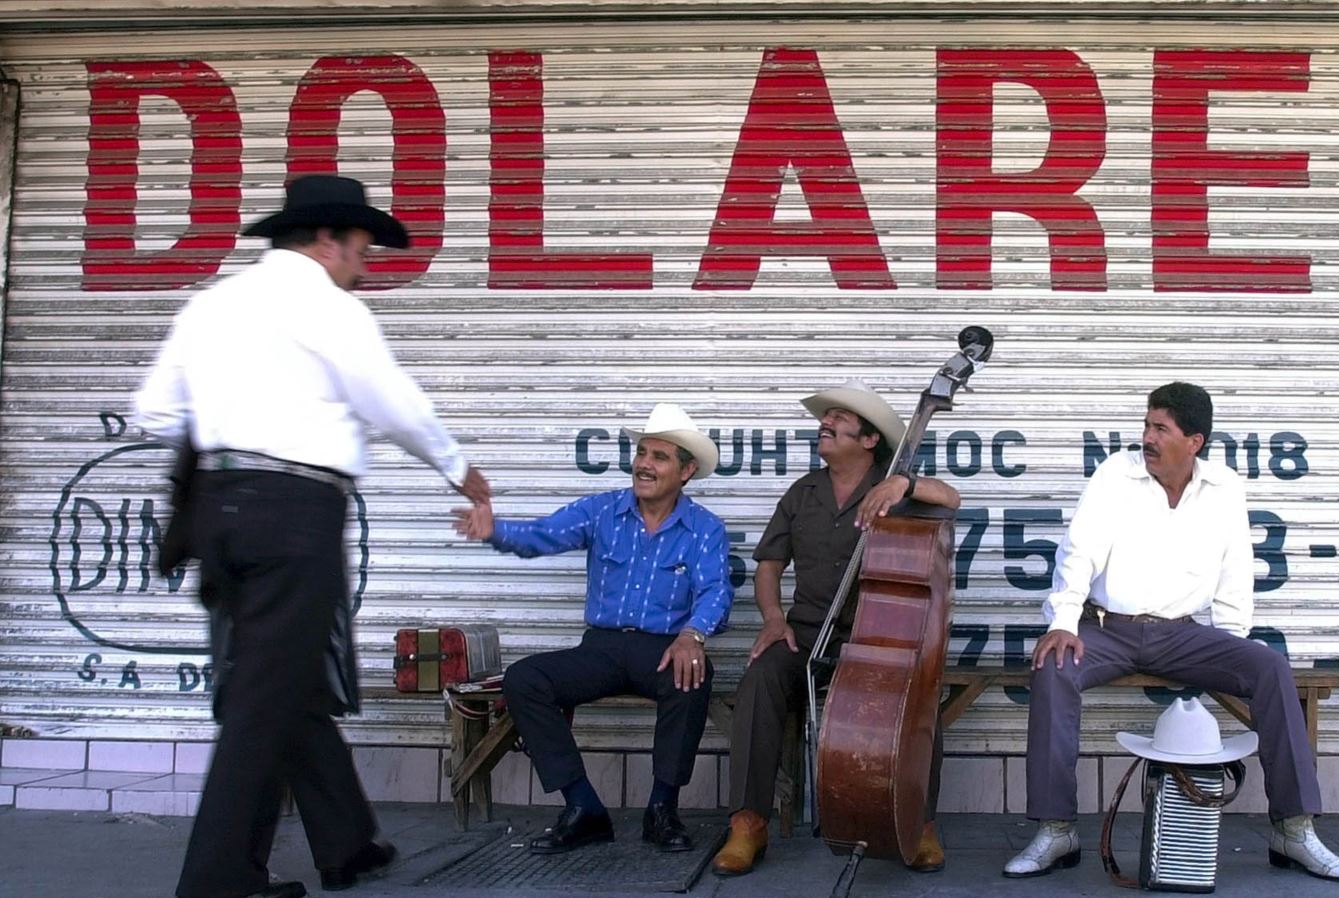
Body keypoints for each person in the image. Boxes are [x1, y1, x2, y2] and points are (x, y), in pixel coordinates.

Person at [135, 174, 492, 898]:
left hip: (219, 510)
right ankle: (219, 880)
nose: (363, 264)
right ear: (327, 240)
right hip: (295, 513)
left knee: (278, 675)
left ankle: (347, 843)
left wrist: (232, 432)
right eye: (360, 248)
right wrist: (461, 471)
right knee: (261, 698)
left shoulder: (211, 305)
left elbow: (153, 414)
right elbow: (392, 403)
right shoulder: (330, 309)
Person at [1003, 382, 1339, 884]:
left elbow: (1237, 566)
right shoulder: (1116, 475)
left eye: (1160, 428)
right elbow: (1077, 551)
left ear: (1193, 441)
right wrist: (1063, 621)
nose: (1147, 437)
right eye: (1146, 425)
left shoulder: (1224, 487)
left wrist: (1232, 640)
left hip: (1180, 635)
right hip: (1108, 629)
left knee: (1269, 667)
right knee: (1053, 667)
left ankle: (1293, 831)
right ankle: (1056, 829)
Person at [452, 403, 732, 855]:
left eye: (659, 457)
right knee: (526, 679)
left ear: (687, 470)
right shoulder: (602, 511)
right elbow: (541, 535)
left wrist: (692, 634)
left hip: (663, 648)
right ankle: (583, 807)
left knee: (692, 676)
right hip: (600, 649)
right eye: (641, 452)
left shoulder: (703, 528)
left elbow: (716, 591)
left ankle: (663, 808)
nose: (643, 464)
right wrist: (495, 531)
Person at [711, 381, 962, 877]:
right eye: (825, 421)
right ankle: (748, 821)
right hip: (804, 633)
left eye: (838, 421)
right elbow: (769, 565)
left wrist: (904, 485)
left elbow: (953, 498)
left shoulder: (894, 486)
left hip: (878, 638)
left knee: (920, 693)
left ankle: (922, 823)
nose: (824, 426)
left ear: (869, 440)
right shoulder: (803, 491)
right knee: (760, 676)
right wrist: (773, 619)